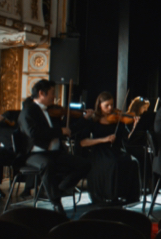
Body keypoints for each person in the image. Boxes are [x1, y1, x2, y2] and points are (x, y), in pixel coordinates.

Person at [17, 79, 92, 214]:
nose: (55, 96)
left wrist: (84, 119)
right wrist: (59, 131)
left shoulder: (52, 113)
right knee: (47, 164)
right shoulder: (28, 112)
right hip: (34, 155)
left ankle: (59, 190)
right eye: (52, 93)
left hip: (54, 153)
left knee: (85, 164)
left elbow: (67, 131)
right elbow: (34, 133)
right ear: (41, 93)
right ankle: (57, 204)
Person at [77, 91, 141, 205]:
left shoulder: (118, 119)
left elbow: (127, 138)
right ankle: (111, 195)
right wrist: (104, 139)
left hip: (115, 150)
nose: (110, 108)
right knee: (113, 163)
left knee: (133, 162)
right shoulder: (93, 120)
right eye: (107, 105)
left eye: (112, 104)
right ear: (99, 105)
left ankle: (129, 196)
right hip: (99, 151)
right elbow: (83, 142)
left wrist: (134, 126)